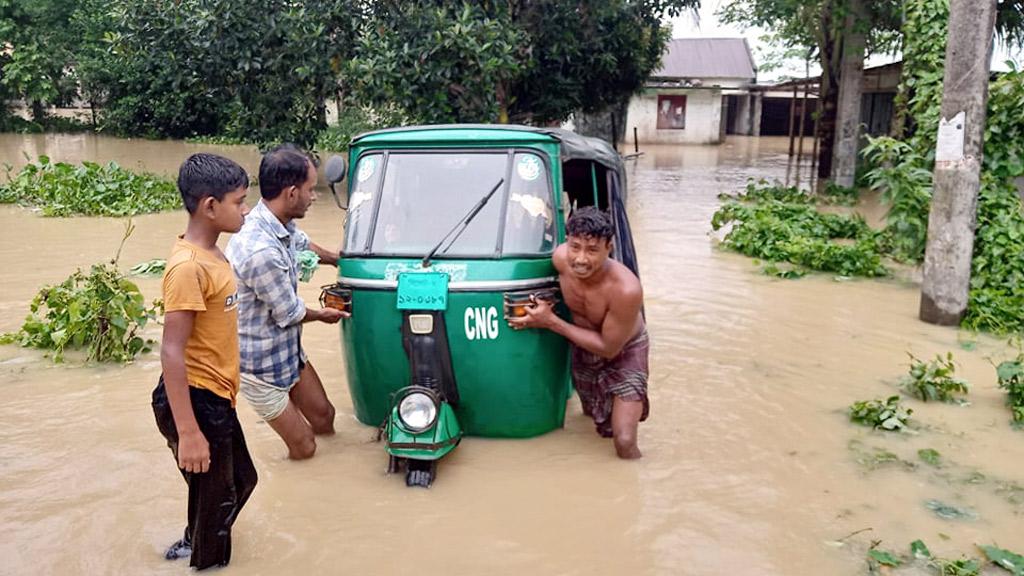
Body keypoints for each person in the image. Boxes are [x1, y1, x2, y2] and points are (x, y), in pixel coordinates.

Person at [152, 153, 256, 569]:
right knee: (219, 504)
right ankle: (203, 559)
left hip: (216, 398)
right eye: (239, 201)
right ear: (210, 206)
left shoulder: (215, 254)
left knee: (240, 482)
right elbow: (171, 350)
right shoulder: (188, 267)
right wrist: (189, 432)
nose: (246, 209)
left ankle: (189, 544)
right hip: (195, 402)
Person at [226, 144, 346, 460]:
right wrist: (323, 314)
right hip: (260, 367)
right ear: (291, 193)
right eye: (309, 189)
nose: (314, 196)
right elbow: (288, 312)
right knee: (305, 447)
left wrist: (337, 259)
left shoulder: (278, 220)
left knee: (324, 418)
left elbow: (303, 243)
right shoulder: (261, 252)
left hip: (287, 352)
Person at [508, 206, 649, 459]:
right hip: (583, 346)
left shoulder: (626, 290)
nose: (581, 259)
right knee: (589, 417)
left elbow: (609, 347)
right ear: (567, 243)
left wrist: (550, 322)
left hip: (624, 350)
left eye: (592, 250)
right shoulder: (560, 260)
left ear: (609, 247)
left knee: (624, 440)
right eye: (575, 247)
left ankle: (634, 485)